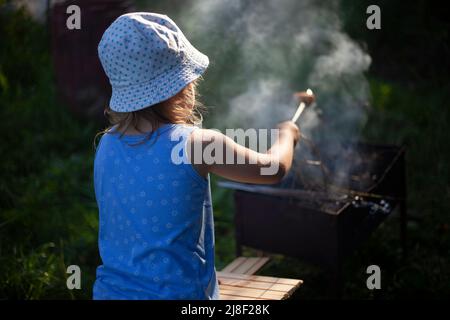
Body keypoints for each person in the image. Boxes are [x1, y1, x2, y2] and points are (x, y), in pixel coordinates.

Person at [93, 12, 314, 300]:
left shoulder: (107, 144)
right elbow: (273, 168)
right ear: (182, 87)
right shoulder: (196, 145)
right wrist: (287, 134)